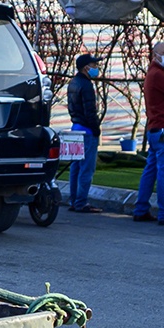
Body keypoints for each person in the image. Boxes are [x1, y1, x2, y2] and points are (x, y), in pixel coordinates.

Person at [131, 41, 164, 225]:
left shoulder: (153, 74)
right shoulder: (159, 76)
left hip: (155, 128)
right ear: (155, 55)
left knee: (151, 171)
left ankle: (141, 209)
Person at [65, 53, 104, 213]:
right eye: (94, 65)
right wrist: (96, 129)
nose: (96, 68)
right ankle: (81, 201)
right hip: (87, 130)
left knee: (75, 166)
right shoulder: (87, 85)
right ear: (86, 67)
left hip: (76, 128)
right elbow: (90, 111)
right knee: (87, 168)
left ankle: (74, 200)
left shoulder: (73, 82)